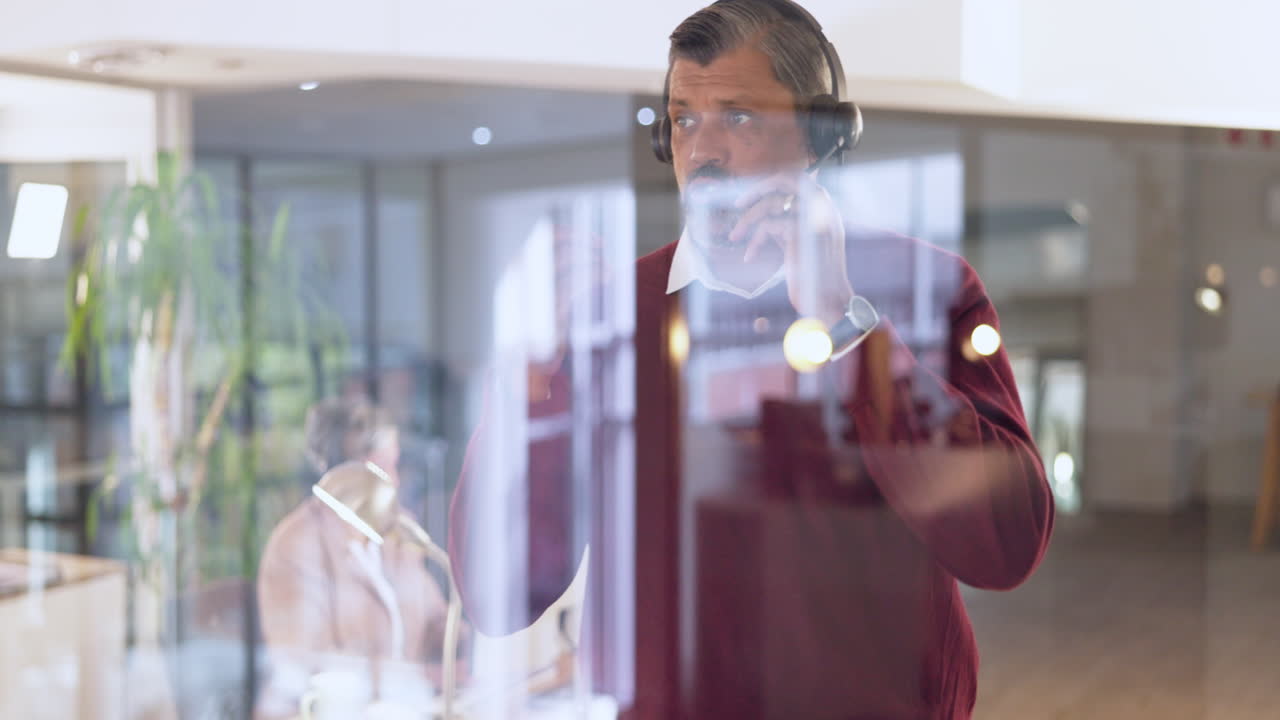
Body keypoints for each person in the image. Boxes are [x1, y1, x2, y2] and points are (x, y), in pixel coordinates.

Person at [448, 1, 1054, 718]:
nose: (702, 150)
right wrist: (533, 371)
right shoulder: (607, 314)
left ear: (819, 137)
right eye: (682, 119)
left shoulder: (924, 289)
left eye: (737, 117)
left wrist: (848, 327)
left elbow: (1006, 545)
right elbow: (499, 593)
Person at [257, 397, 455, 718]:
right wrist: (406, 679)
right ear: (350, 473)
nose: (396, 479)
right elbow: (311, 671)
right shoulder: (297, 546)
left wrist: (468, 644)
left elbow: (434, 619)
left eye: (396, 463)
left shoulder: (394, 533)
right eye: (385, 465)